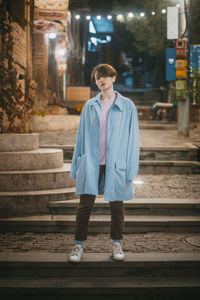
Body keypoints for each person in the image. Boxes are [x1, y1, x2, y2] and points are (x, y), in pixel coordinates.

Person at [69, 64, 140, 263]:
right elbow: (80, 138)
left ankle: (117, 244)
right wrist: (77, 166)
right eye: (97, 77)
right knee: (85, 206)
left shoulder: (128, 106)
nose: (101, 80)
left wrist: (131, 169)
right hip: (91, 162)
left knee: (117, 206)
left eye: (105, 76)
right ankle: (78, 245)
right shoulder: (90, 106)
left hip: (116, 163)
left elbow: (133, 139)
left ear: (113, 78)